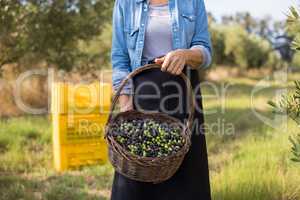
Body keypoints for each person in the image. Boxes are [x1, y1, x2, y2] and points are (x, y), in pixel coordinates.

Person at [110, 0, 212, 199]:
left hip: (184, 97)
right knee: (134, 181)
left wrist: (186, 55)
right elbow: (120, 59)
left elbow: (205, 51)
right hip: (142, 97)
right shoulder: (125, 4)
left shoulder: (192, 3)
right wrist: (126, 106)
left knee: (186, 182)